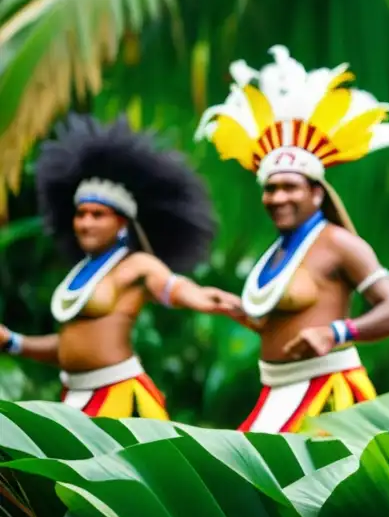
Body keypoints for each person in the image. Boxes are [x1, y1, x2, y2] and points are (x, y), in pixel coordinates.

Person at [195, 45, 389, 433]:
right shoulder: (277, 251)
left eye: (289, 187)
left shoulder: (338, 243)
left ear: (316, 192)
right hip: (276, 392)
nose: (278, 197)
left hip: (327, 395)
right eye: (271, 188)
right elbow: (288, 321)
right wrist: (240, 311)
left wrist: (337, 332)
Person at [0, 114, 241, 419]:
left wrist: (215, 301)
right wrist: (14, 342)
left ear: (122, 222)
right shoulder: (81, 273)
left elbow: (179, 289)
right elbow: (70, 345)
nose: (86, 223)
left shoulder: (136, 265)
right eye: (81, 213)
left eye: (98, 214)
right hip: (75, 397)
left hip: (120, 399)